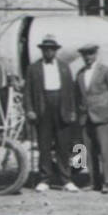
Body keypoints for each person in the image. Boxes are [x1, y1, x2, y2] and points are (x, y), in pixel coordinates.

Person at [23, 34, 80, 192]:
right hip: (43, 109)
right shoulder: (33, 68)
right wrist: (29, 110)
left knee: (63, 146)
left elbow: (71, 92)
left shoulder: (64, 67)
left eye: (51, 49)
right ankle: (45, 179)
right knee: (44, 146)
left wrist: (72, 111)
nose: (48, 52)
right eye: (46, 49)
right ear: (42, 51)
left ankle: (66, 179)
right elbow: (27, 92)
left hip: (62, 108)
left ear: (56, 51)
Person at [74, 43, 108, 193]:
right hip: (85, 117)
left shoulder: (106, 71)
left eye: (90, 54)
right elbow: (78, 95)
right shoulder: (80, 74)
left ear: (95, 54)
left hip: (103, 117)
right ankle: (94, 182)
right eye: (84, 55)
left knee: (105, 151)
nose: (87, 57)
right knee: (89, 152)